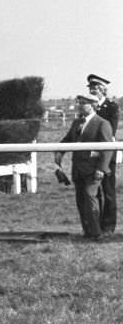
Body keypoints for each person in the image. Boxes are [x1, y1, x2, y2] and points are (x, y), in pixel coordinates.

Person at [55, 93, 114, 240]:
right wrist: (59, 152)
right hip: (78, 169)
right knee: (81, 199)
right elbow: (68, 140)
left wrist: (101, 168)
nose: (80, 105)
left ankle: (96, 233)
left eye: (84, 103)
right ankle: (87, 231)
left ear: (92, 105)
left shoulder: (102, 123)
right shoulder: (76, 123)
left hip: (93, 170)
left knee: (90, 196)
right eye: (79, 103)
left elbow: (108, 148)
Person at [87, 74, 119, 234]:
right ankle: (96, 224)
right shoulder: (88, 108)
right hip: (91, 156)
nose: (92, 91)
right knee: (94, 191)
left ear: (101, 89)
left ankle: (108, 226)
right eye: (91, 88)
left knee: (108, 191)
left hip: (106, 155)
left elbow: (110, 131)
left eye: (94, 88)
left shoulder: (111, 107)